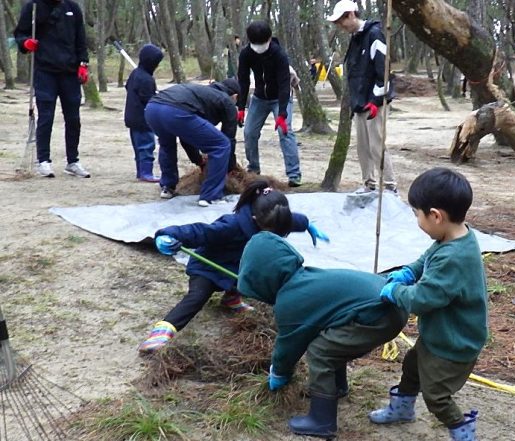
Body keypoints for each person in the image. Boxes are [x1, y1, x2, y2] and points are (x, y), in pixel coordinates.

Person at [237, 231, 409, 439]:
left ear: (262, 278)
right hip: (392, 304)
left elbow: (288, 346)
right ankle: (336, 387)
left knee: (321, 352)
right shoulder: (308, 277)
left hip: (379, 316)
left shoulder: (290, 301)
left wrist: (279, 373)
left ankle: (322, 421)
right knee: (331, 339)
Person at [138, 179, 330, 353]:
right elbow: (201, 232)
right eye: (271, 230)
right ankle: (163, 330)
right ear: (255, 219)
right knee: (197, 297)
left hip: (236, 266)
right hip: (208, 267)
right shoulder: (231, 225)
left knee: (253, 277)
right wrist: (168, 234)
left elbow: (292, 221)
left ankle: (231, 298)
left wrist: (307, 225)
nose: (274, 234)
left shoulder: (274, 218)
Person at [369, 167, 488, 441]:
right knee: (412, 367)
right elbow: (427, 258)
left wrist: (395, 291)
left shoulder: (453, 258)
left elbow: (422, 300)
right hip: (440, 334)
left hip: (454, 343)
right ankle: (402, 409)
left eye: (417, 214)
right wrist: (409, 272)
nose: (416, 220)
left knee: (436, 395)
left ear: (435, 216)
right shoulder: (455, 236)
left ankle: (462, 430)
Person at [14, 0, 91, 178]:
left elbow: (81, 39)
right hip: (44, 71)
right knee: (46, 117)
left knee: (73, 118)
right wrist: (25, 43)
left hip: (70, 71)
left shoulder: (72, 8)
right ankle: (43, 161)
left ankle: (73, 161)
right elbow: (20, 33)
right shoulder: (33, 7)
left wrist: (83, 63)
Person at [328, 0, 397, 194]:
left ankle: (389, 186)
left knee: (376, 145)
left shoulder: (374, 34)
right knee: (363, 147)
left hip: (375, 101)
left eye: (341, 21)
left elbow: (384, 71)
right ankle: (369, 183)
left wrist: (376, 100)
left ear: (351, 15)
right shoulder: (355, 38)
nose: (340, 26)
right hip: (360, 102)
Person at [145, 78, 240, 207]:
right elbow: (229, 139)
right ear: (235, 96)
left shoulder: (202, 94)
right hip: (175, 111)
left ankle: (168, 187)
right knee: (221, 145)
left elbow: (187, 137)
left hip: (152, 109)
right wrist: (230, 167)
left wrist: (198, 160)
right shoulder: (226, 101)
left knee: (167, 145)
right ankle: (211, 196)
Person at [236, 21, 302, 187]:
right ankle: (253, 170)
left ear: (269, 38)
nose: (259, 48)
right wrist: (241, 107)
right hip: (259, 98)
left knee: (285, 131)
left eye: (262, 44)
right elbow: (243, 81)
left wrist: (282, 114)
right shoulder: (246, 54)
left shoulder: (279, 54)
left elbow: (284, 84)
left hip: (280, 98)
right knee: (249, 132)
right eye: (255, 44)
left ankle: (294, 175)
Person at [124, 44, 164, 183]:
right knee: (146, 146)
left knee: (138, 147)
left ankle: (140, 171)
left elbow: (128, 87)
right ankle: (146, 172)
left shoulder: (135, 74)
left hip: (131, 117)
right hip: (143, 120)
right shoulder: (146, 79)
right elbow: (149, 100)